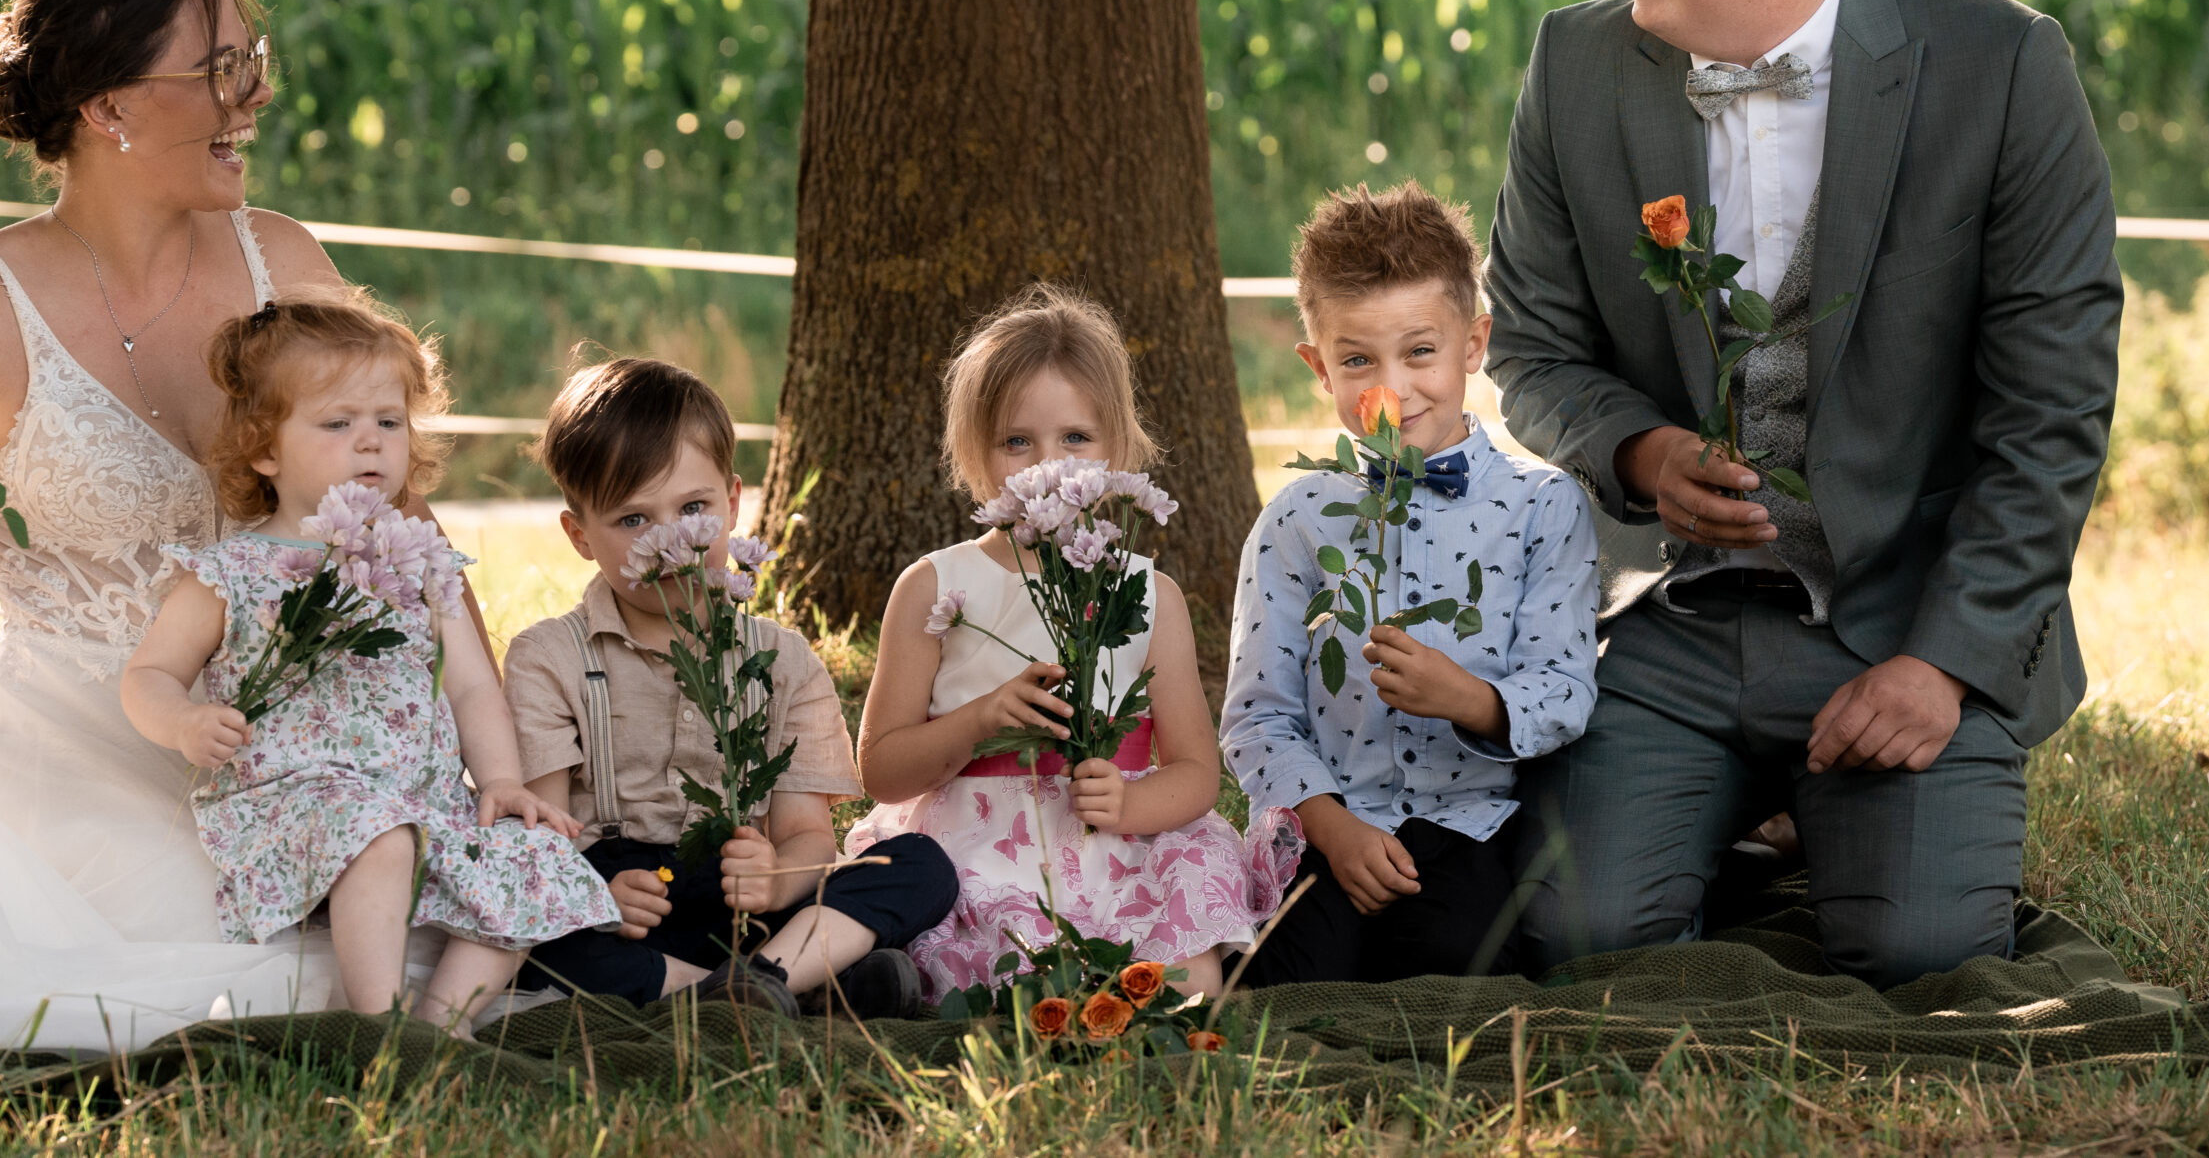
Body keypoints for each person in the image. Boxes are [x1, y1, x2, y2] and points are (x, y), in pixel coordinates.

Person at [1485, 0, 2123, 988]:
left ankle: (1822, 817)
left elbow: (2050, 418)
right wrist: (1634, 447)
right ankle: (1752, 814)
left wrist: (1944, 664)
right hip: (1677, 614)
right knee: (1574, 940)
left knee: (1926, 955)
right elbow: (1531, 346)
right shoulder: (1574, 64)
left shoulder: (2003, 67)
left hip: (1907, 618)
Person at [0, 0, 477, 1049]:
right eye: (222, 69)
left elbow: (402, 529)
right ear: (109, 109)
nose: (256, 94)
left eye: (254, 58)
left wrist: (494, 747)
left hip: (295, 738)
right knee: (228, 962)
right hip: (76, 751)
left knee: (443, 901)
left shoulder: (282, 262)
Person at [121, 295, 616, 1035]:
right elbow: (147, 675)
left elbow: (474, 683)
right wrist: (186, 720)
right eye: (338, 423)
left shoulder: (419, 561)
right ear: (264, 447)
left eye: (388, 421)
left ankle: (440, 1026)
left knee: (533, 855)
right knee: (379, 832)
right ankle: (377, 1023)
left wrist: (504, 780)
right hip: (297, 799)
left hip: (424, 796)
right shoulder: (235, 569)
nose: (371, 443)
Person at [847, 285, 1299, 1001]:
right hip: (979, 851)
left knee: (1189, 973)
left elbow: (1195, 771)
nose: (1047, 464)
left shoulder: (1151, 595)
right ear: (974, 450)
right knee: (984, 971)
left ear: (1117, 448)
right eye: (1016, 441)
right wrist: (979, 719)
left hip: (1114, 842)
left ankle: (1138, 991)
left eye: (1075, 439)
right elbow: (880, 768)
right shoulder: (935, 585)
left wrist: (1130, 805)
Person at [1219, 184, 1600, 985]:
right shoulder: (1297, 521)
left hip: (1471, 824)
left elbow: (1565, 689)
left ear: (1475, 342)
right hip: (1331, 825)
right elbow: (1258, 716)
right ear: (1318, 367)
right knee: (1283, 979)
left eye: (1420, 351)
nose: (1392, 389)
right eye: (1358, 360)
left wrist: (1468, 697)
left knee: (1452, 966)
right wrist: (1332, 830)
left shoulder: (1542, 506)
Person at [504, 357, 956, 1019]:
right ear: (580, 534)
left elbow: (809, 837)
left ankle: (759, 981)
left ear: (734, 501)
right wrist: (596, 888)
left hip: (749, 900)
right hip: (628, 908)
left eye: (692, 508)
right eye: (633, 520)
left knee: (920, 865)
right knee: (540, 939)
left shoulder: (783, 659)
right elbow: (540, 840)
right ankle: (785, 991)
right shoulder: (547, 657)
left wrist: (774, 879)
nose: (670, 545)